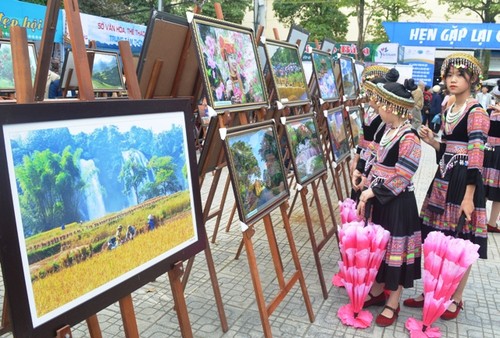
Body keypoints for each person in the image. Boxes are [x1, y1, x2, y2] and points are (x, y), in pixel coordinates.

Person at [404, 53, 490, 320]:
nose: (452, 80)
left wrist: (469, 197)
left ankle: (456, 297)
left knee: (460, 242)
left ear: (472, 79)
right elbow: (449, 149)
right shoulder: (449, 108)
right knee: (433, 236)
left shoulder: (477, 112)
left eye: (459, 76)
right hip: (443, 177)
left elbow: (476, 155)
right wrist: (433, 142)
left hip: (464, 184)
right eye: (449, 75)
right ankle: (432, 291)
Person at [357, 81, 422, 327]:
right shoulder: (387, 130)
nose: (378, 106)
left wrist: (371, 191)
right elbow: (376, 161)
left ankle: (392, 301)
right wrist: (366, 180)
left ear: (392, 107)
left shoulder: (409, 137)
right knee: (381, 250)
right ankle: (376, 290)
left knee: (397, 252)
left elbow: (403, 177)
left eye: (381, 103)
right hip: (381, 199)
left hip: (398, 203)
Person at [350, 65, 390, 200]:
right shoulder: (369, 110)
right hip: (364, 155)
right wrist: (357, 158)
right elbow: (362, 135)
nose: (369, 95)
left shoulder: (386, 118)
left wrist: (366, 171)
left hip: (373, 161)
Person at [484, 83, 500, 233]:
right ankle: (492, 223)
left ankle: (478, 220)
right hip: (498, 153)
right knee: (498, 192)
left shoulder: (488, 111)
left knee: (482, 187)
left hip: (487, 151)